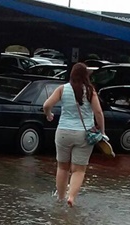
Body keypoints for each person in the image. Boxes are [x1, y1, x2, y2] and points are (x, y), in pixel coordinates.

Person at [42, 62, 105, 207]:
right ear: (85, 76)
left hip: (63, 132)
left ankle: (60, 198)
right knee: (78, 169)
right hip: (83, 134)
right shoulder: (90, 91)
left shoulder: (63, 89)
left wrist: (48, 114)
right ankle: (71, 197)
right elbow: (98, 113)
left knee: (62, 167)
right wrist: (102, 131)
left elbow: (46, 105)